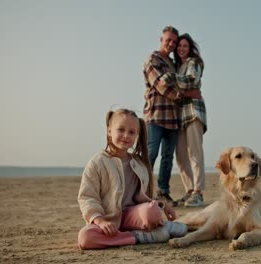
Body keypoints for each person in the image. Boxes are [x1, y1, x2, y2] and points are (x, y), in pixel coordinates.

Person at [77, 108, 187, 250]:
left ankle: (162, 227)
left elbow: (145, 196)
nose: (126, 135)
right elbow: (87, 197)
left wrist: (163, 205)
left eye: (131, 132)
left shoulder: (139, 164)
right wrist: (100, 221)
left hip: (133, 215)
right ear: (109, 131)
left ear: (136, 135)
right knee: (85, 238)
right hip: (107, 219)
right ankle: (139, 237)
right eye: (121, 130)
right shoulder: (97, 162)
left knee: (152, 211)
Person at [142, 26, 200, 206]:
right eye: (168, 40)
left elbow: (182, 82)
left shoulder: (174, 64)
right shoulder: (153, 59)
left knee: (167, 157)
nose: (171, 44)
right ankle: (141, 191)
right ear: (161, 39)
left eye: (174, 42)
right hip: (156, 115)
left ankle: (163, 192)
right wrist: (184, 94)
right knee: (150, 154)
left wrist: (182, 88)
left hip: (173, 118)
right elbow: (161, 85)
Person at [173, 34, 207, 207]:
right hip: (180, 115)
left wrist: (171, 80)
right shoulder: (178, 67)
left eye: (185, 46)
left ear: (190, 47)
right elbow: (184, 87)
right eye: (179, 46)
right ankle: (189, 190)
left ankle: (198, 193)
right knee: (180, 156)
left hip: (194, 111)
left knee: (195, 153)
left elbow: (191, 80)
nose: (181, 49)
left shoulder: (194, 62)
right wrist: (182, 91)